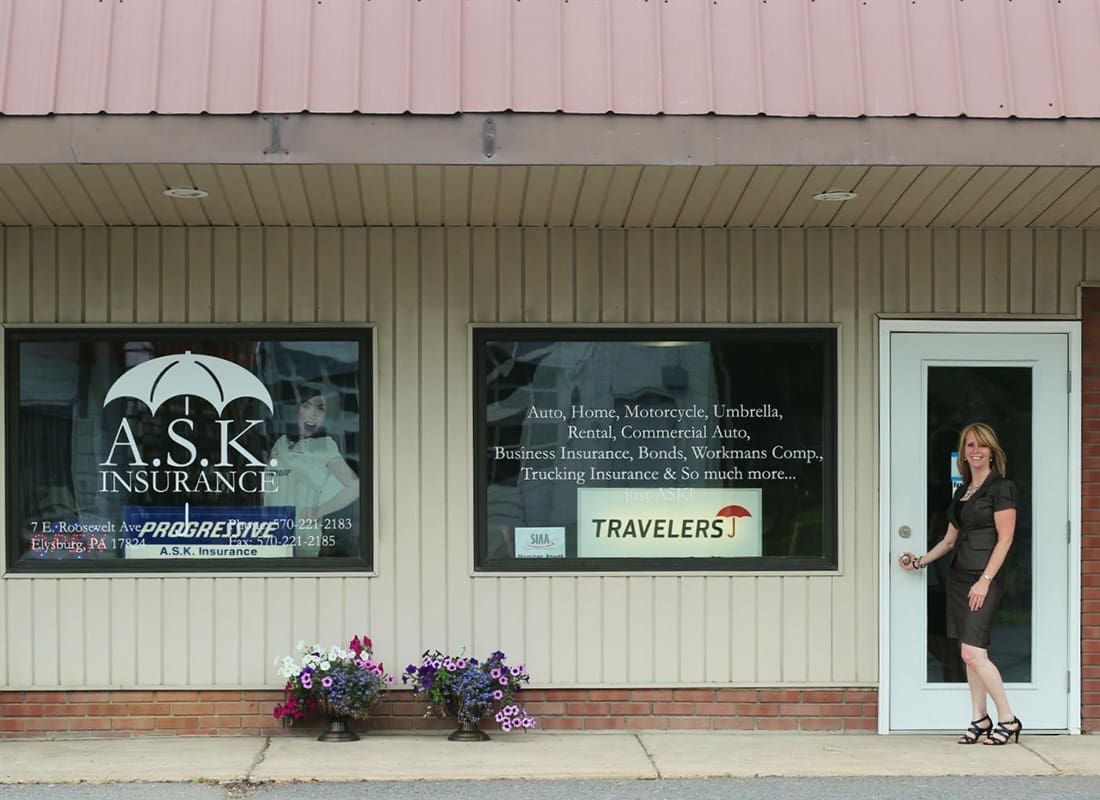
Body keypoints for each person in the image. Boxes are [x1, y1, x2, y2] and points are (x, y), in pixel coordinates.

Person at [898, 422, 1023, 745]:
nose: (975, 451)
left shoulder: (1002, 488)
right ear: (963, 453)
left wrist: (985, 580)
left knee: (973, 651)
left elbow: (1005, 540)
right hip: (958, 578)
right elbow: (950, 540)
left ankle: (1008, 719)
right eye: (969, 445)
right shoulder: (962, 491)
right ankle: (979, 718)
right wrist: (920, 561)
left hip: (983, 578)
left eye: (981, 445)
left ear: (992, 451)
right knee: (970, 654)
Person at [266, 383, 359, 557]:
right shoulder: (281, 442)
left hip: (301, 535)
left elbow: (355, 486)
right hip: (270, 531)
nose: (314, 414)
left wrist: (317, 511)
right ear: (297, 409)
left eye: (321, 409)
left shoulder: (324, 447)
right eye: (307, 405)